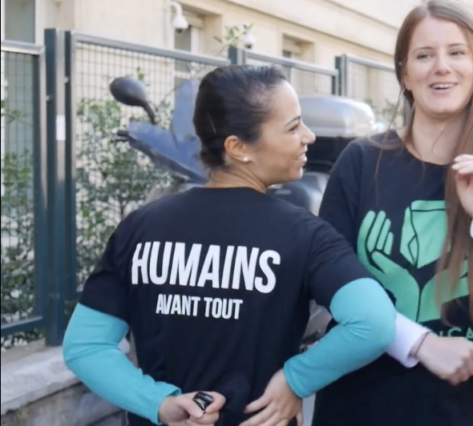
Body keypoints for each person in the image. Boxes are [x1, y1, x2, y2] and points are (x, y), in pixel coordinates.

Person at [62, 65, 397, 426]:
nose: (309, 136)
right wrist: (295, 380)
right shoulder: (304, 234)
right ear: (238, 148)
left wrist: (161, 403)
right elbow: (374, 323)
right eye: (292, 127)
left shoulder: (139, 228)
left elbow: (86, 347)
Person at [312, 1, 473, 425]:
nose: (442, 67)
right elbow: (329, 288)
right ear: (405, 73)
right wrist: (420, 343)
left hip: (468, 409)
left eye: (457, 52)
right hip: (363, 404)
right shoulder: (362, 162)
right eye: (424, 55)